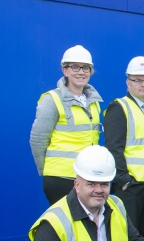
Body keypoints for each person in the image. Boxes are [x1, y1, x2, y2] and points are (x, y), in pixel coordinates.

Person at [30, 45, 103, 205]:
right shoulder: (52, 99)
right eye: (75, 67)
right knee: (65, 226)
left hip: (84, 177)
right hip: (60, 177)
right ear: (65, 70)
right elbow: (38, 138)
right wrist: (48, 172)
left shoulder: (94, 102)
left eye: (85, 68)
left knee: (82, 227)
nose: (81, 72)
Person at [103, 56, 144, 241]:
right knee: (126, 236)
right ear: (128, 82)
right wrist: (123, 179)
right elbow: (113, 147)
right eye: (138, 80)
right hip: (131, 185)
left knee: (141, 235)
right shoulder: (119, 107)